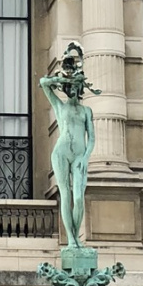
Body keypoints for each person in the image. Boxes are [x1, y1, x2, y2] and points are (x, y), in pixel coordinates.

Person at [40, 43, 97, 249]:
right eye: (70, 87)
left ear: (80, 89)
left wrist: (85, 158)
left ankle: (77, 236)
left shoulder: (86, 111)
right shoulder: (59, 106)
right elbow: (43, 82)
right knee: (65, 194)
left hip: (79, 155)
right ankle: (71, 239)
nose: (72, 89)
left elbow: (91, 138)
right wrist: (64, 78)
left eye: (75, 87)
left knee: (79, 197)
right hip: (61, 153)